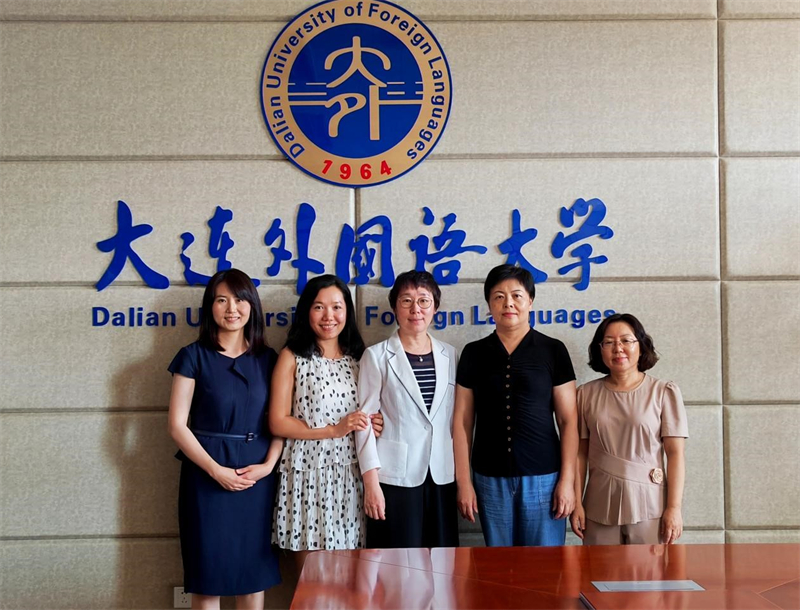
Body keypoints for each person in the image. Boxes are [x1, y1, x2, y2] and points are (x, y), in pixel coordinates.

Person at [167, 269, 281, 610]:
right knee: (208, 576)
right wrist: (215, 470)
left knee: (252, 575)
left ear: (252, 306)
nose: (232, 308)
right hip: (205, 473)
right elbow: (176, 425)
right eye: (222, 300)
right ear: (210, 307)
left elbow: (280, 421)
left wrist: (268, 465)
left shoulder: (268, 359)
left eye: (240, 299)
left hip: (256, 474)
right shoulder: (193, 356)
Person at [453, 264, 578, 547]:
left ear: (530, 301)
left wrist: (567, 481)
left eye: (516, 296)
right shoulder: (474, 353)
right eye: (498, 296)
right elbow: (462, 422)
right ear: (489, 305)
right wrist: (464, 482)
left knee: (544, 566)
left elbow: (569, 420)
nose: (508, 303)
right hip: (489, 478)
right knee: (499, 566)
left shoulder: (553, 350)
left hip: (544, 478)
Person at [356, 270, 460, 548]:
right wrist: (371, 484)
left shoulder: (450, 354)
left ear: (435, 307)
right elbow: (365, 423)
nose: (416, 309)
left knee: (442, 559)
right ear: (395, 308)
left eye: (424, 300)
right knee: (398, 561)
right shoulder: (376, 356)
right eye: (406, 301)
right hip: (395, 476)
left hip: (441, 474)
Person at [570, 313, 688, 545]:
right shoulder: (584, 394)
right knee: (599, 567)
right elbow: (579, 454)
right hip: (598, 502)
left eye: (626, 340)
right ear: (600, 349)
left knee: (648, 568)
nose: (618, 348)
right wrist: (577, 503)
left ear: (641, 346)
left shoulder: (663, 392)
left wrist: (674, 508)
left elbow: (675, 455)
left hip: (650, 503)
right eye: (609, 342)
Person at [270, 274, 368, 555]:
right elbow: (277, 421)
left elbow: (369, 410)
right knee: (312, 572)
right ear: (306, 311)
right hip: (308, 472)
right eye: (319, 307)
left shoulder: (359, 358)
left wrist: (374, 422)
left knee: (349, 568)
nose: (329, 316)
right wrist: (333, 430)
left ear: (347, 312)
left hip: (350, 472)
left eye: (337, 307)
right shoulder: (292, 356)